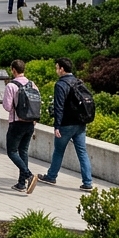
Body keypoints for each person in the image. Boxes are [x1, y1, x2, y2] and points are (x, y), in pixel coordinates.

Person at [36, 58, 94, 191]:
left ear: (62, 69)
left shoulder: (61, 85)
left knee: (58, 151)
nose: (56, 70)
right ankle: (87, 182)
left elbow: (59, 107)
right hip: (80, 124)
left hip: (66, 125)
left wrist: (57, 126)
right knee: (82, 152)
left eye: (57, 68)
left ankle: (51, 176)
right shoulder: (78, 82)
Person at [2, 59, 39, 194]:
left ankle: (28, 175)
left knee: (12, 151)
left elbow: (7, 106)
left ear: (13, 70)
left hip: (16, 123)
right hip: (30, 123)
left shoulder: (11, 86)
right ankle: (21, 183)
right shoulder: (32, 84)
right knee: (23, 151)